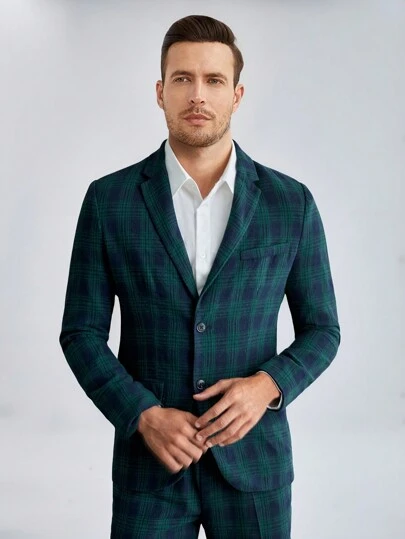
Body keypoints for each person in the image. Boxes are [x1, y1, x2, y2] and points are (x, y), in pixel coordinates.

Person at [59, 14, 340, 539]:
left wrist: (267, 387)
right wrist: (142, 414)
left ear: (237, 95)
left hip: (254, 465)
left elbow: (323, 330)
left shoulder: (290, 204)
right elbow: (81, 333)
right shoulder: (109, 201)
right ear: (160, 92)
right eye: (183, 79)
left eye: (213, 80)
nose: (197, 95)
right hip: (151, 469)